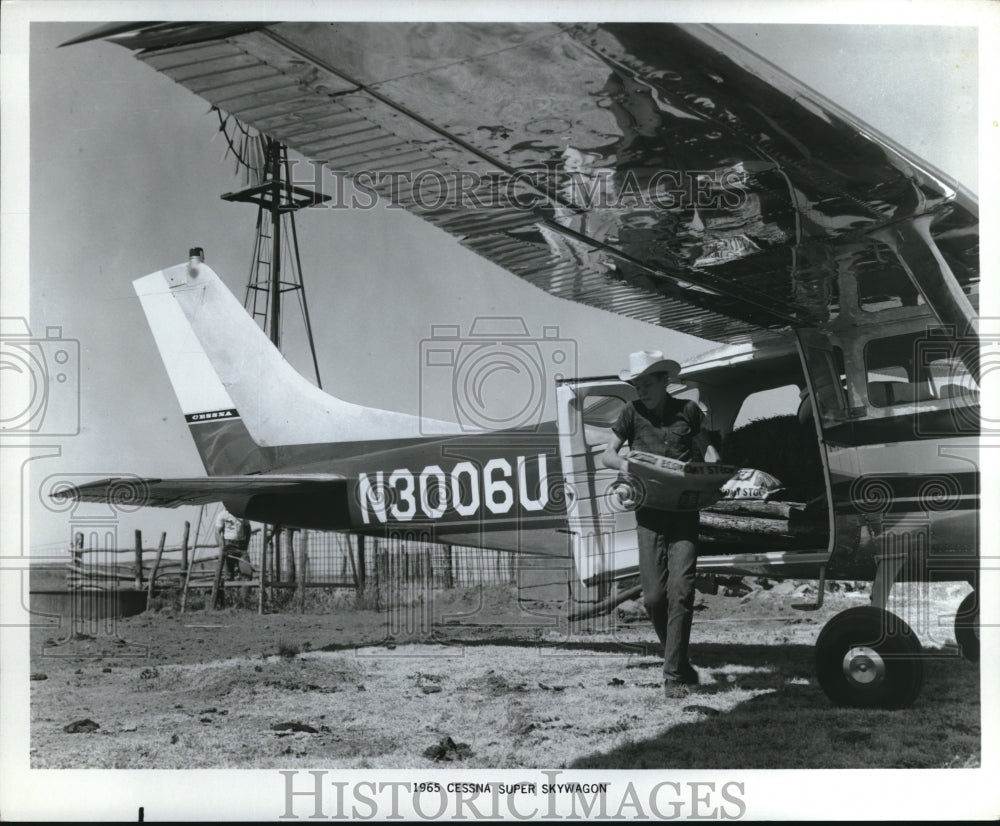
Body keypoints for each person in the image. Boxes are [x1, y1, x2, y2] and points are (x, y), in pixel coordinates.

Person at [602, 350, 720, 699]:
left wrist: (715, 472)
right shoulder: (630, 413)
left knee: (681, 593)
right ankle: (681, 664)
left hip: (684, 513)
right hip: (649, 513)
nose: (641, 390)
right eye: (637, 385)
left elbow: (709, 452)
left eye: (647, 383)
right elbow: (607, 454)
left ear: (665, 381)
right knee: (654, 598)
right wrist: (630, 469)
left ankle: (673, 677)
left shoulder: (688, 411)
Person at [215, 507, 254, 581]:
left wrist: (246, 544)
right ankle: (229, 592)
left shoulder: (242, 514)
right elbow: (217, 532)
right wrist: (222, 547)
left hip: (241, 547)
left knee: (247, 573)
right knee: (228, 575)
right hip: (228, 546)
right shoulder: (222, 515)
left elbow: (248, 529)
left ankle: (245, 592)